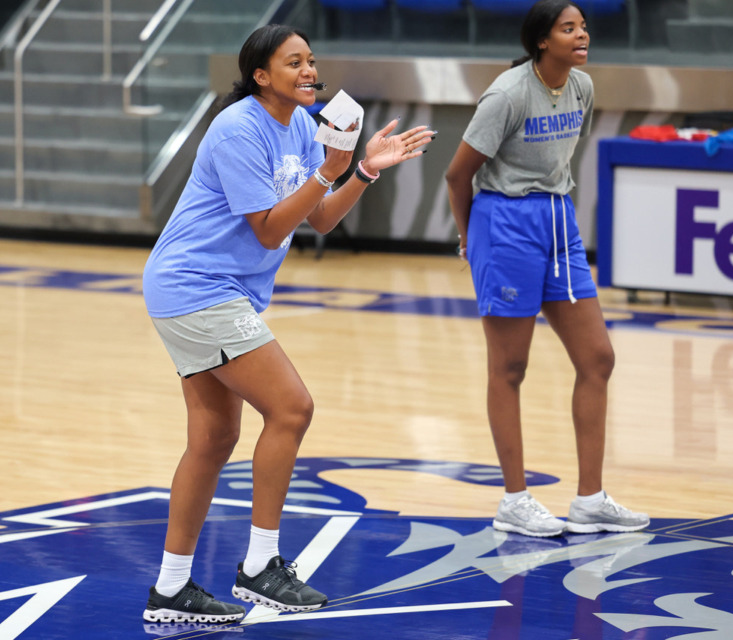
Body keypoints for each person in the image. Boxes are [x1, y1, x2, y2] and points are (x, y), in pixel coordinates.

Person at [141, 23, 435, 623]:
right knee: (292, 408)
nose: (309, 71)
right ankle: (260, 567)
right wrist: (329, 169)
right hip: (198, 287)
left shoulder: (302, 124)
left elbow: (320, 220)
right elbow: (270, 229)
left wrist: (363, 170)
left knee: (214, 439)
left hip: (212, 291)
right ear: (261, 75)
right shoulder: (237, 128)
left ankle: (172, 588)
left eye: (311, 61)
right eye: (294, 62)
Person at [445, 0, 649, 538]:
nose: (582, 36)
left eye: (583, 27)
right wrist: (472, 238)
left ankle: (590, 499)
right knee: (510, 368)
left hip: (558, 219)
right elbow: (456, 174)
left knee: (598, 357)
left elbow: (557, 164)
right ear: (541, 40)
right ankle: (514, 500)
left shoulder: (581, 87)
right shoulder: (508, 94)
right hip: (505, 223)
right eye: (568, 28)